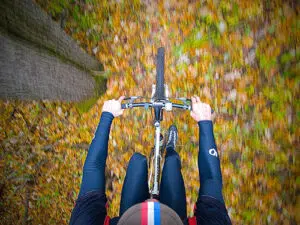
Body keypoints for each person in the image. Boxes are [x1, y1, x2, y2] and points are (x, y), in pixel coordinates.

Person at [69, 96, 232, 225]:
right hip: (172, 212)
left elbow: (93, 168)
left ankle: (160, 155)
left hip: (142, 214)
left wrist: (107, 116)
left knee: (137, 161)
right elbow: (212, 179)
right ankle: (170, 148)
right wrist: (204, 122)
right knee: (172, 163)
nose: (152, 201)